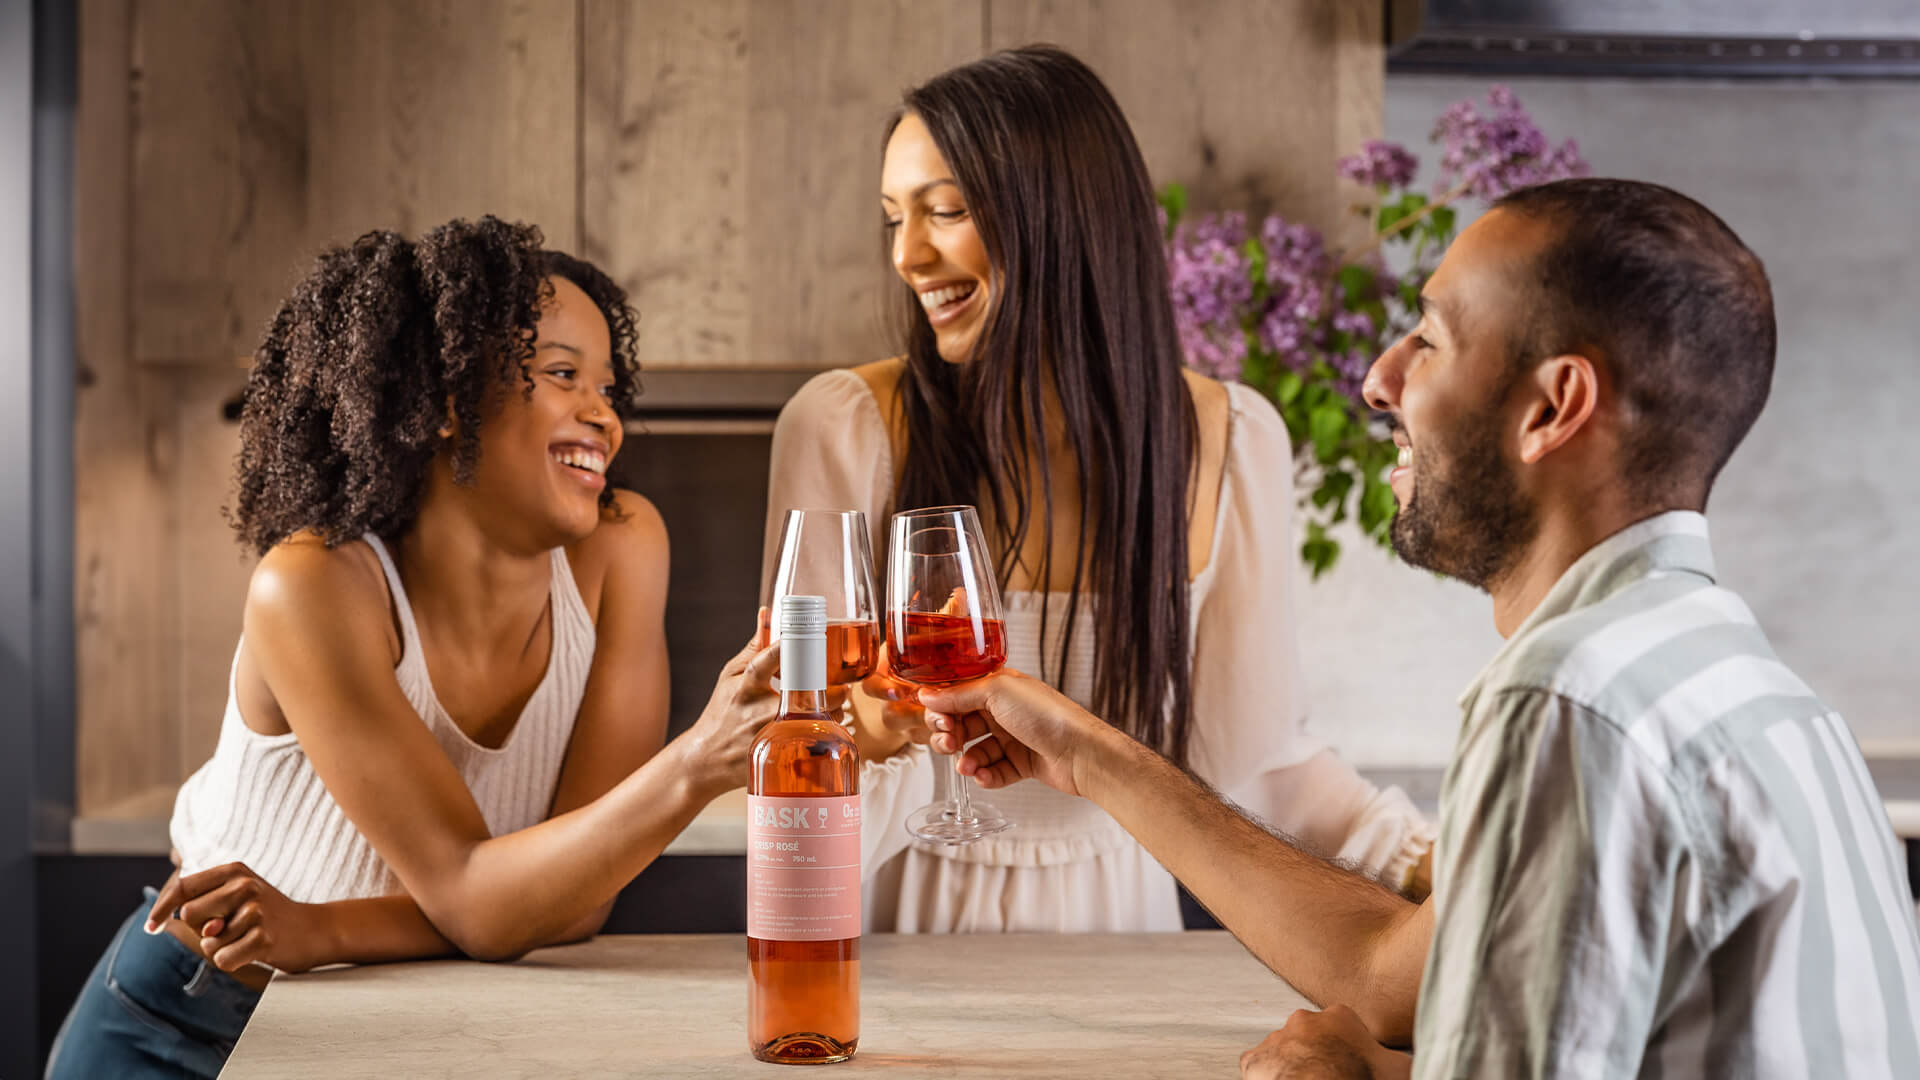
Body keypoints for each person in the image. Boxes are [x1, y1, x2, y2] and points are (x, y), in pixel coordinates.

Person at [916, 178, 1920, 1077]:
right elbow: (1392, 971)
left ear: (1552, 408)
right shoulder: (1750, 689)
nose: (1379, 380)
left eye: (1430, 341)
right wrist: (1086, 754)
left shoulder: (1570, 703)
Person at [45, 217, 793, 1079]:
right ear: (442, 404)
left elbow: (575, 899)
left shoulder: (623, 548)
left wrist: (324, 928)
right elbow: (487, 900)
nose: (605, 414)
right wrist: (700, 759)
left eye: (609, 386)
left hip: (397, 1015)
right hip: (188, 1018)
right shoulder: (314, 585)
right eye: (562, 375)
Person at [762, 45, 1434, 934]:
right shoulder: (845, 426)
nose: (909, 256)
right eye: (894, 219)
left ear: (1064, 217)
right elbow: (799, 762)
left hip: (1125, 932)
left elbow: (1259, 764)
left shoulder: (1226, 440)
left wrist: (1444, 868)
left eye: (946, 211)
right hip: (904, 920)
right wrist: (874, 732)